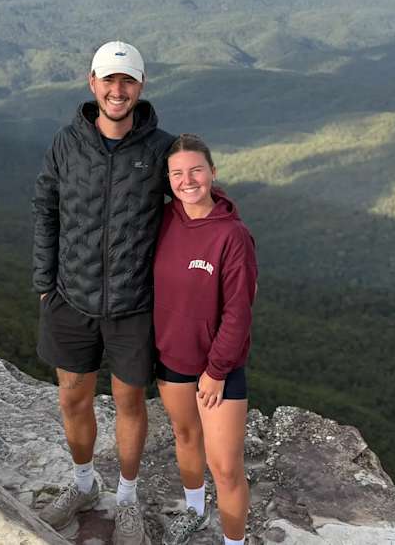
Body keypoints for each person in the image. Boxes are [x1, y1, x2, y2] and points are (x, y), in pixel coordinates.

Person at [32, 40, 174, 545]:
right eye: (109, 80)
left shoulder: (162, 149)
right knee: (74, 397)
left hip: (135, 306)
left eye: (128, 81)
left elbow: (192, 210)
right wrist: (45, 286)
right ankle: (84, 484)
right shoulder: (66, 143)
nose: (118, 90)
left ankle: (128, 499)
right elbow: (46, 209)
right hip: (71, 299)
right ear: (91, 83)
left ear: (141, 86)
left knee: (130, 402)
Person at [152, 134, 258, 545]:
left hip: (218, 368)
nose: (187, 180)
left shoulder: (233, 235)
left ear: (213, 172)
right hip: (172, 357)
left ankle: (234, 542)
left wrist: (215, 372)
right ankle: (195, 510)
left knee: (227, 467)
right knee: (185, 437)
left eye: (196, 170)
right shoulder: (164, 220)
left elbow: (239, 313)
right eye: (177, 173)